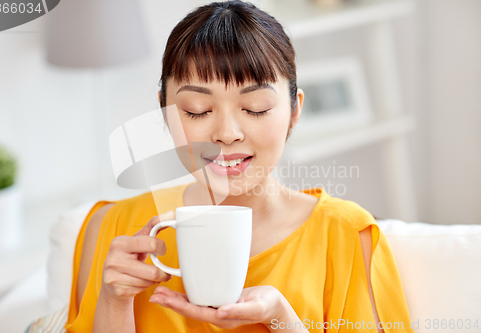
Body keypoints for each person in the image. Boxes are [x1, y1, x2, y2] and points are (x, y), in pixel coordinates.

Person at [64, 1, 413, 332]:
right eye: (198, 110)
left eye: (256, 107)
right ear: (165, 112)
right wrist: (113, 302)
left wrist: (281, 319)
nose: (227, 134)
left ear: (294, 111)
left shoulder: (346, 235)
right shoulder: (111, 230)